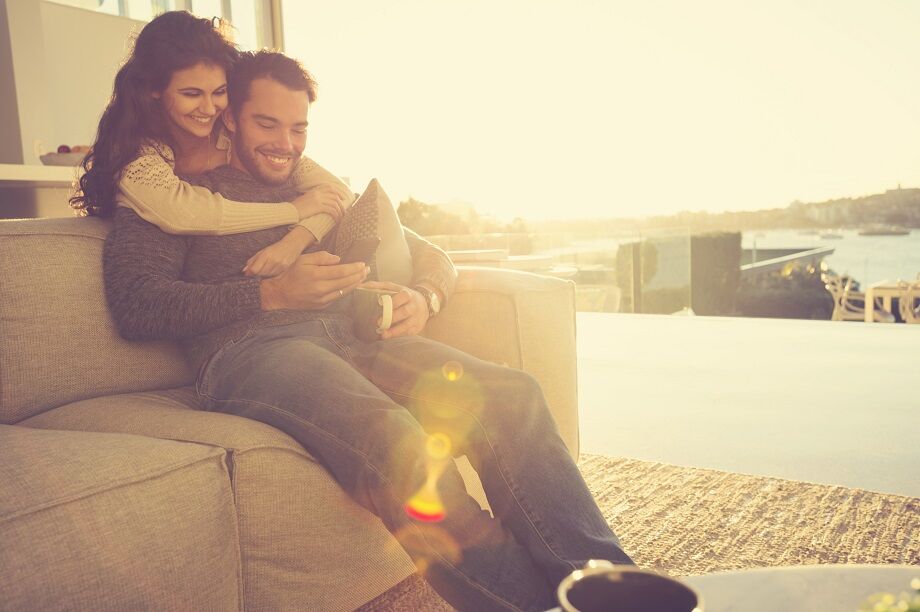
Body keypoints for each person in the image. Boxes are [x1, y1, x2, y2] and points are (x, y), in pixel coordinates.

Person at [103, 50, 633, 612]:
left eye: (298, 127)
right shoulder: (175, 193)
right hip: (250, 351)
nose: (286, 143)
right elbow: (136, 305)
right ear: (230, 117)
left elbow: (431, 253)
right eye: (267, 124)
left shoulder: (317, 190)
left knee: (511, 394)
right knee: (396, 437)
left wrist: (423, 296)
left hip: (352, 335)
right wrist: (268, 293)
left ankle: (617, 595)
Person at [71, 10, 353, 278]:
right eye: (191, 93)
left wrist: (294, 242)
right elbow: (185, 214)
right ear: (153, 89)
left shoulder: (230, 130)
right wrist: (294, 210)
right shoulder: (137, 154)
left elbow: (337, 192)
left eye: (219, 92)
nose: (209, 108)